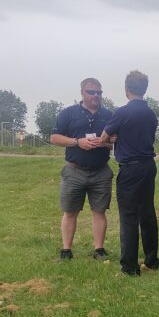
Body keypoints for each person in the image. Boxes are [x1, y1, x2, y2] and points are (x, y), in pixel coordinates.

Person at [100, 70, 159, 276]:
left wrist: (113, 139)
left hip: (130, 168)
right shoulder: (151, 114)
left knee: (128, 216)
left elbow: (102, 139)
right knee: (148, 213)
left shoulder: (122, 112)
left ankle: (130, 266)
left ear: (126, 89)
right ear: (145, 89)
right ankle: (152, 260)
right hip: (148, 165)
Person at [50, 78, 114, 261]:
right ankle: (66, 251)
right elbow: (54, 138)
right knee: (70, 211)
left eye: (99, 93)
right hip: (74, 171)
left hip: (100, 171)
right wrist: (78, 142)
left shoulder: (109, 116)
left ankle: (99, 250)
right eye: (91, 92)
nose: (96, 96)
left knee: (99, 211)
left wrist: (104, 143)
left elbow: (117, 143)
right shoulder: (68, 113)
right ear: (82, 93)